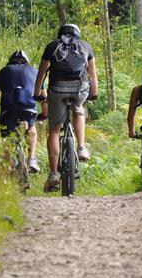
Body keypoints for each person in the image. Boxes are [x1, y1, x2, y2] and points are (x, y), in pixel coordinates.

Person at [33, 23, 98, 192]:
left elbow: (42, 72)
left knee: (54, 129)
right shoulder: (85, 46)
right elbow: (92, 74)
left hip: (57, 89)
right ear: (78, 34)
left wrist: (37, 92)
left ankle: (54, 173)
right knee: (78, 109)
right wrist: (94, 94)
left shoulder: (52, 46)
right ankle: (82, 147)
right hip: (80, 89)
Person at [0, 50, 41, 173]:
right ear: (27, 61)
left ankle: (8, 162)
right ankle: (32, 158)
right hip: (28, 107)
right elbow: (43, 97)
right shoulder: (34, 71)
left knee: (6, 135)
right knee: (32, 127)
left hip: (8, 109)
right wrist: (44, 113)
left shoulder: (4, 71)